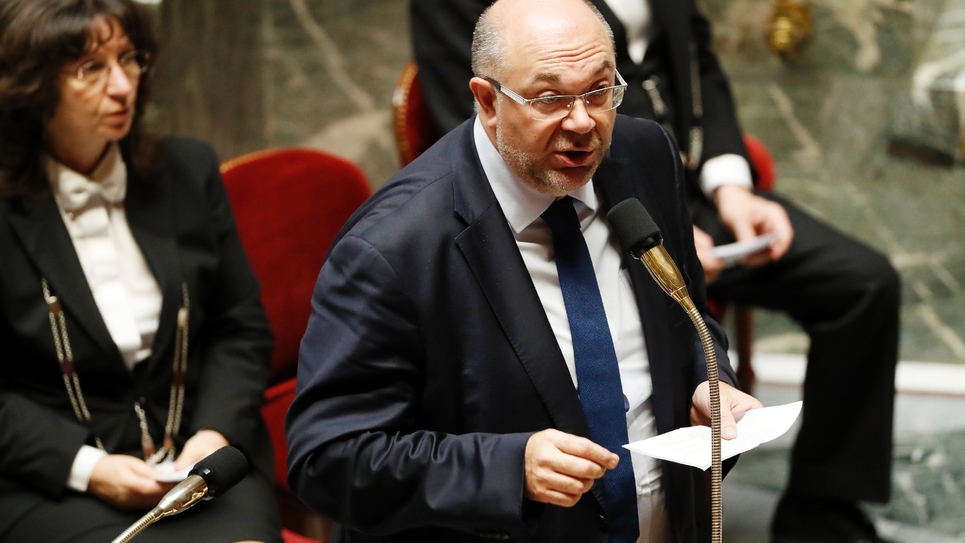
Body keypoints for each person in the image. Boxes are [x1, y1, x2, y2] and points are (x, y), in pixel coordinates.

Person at [411, 1, 901, 541]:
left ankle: (822, 510)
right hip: (567, 189)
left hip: (670, 179)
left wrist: (730, 183)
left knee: (865, 282)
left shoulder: (654, 152)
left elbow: (698, 59)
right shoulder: (395, 238)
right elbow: (475, 124)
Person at [287, 0, 764, 541]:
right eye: (550, 99)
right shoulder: (392, 248)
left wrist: (708, 383)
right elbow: (329, 458)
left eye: (599, 91)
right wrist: (508, 469)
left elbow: (688, 318)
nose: (582, 122)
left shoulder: (644, 155)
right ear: (488, 101)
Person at [0, 1, 281, 542]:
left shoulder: (188, 171)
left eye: (129, 59)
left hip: (198, 458)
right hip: (54, 479)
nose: (122, 85)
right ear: (32, 83)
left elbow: (239, 328)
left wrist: (214, 432)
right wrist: (89, 468)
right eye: (91, 68)